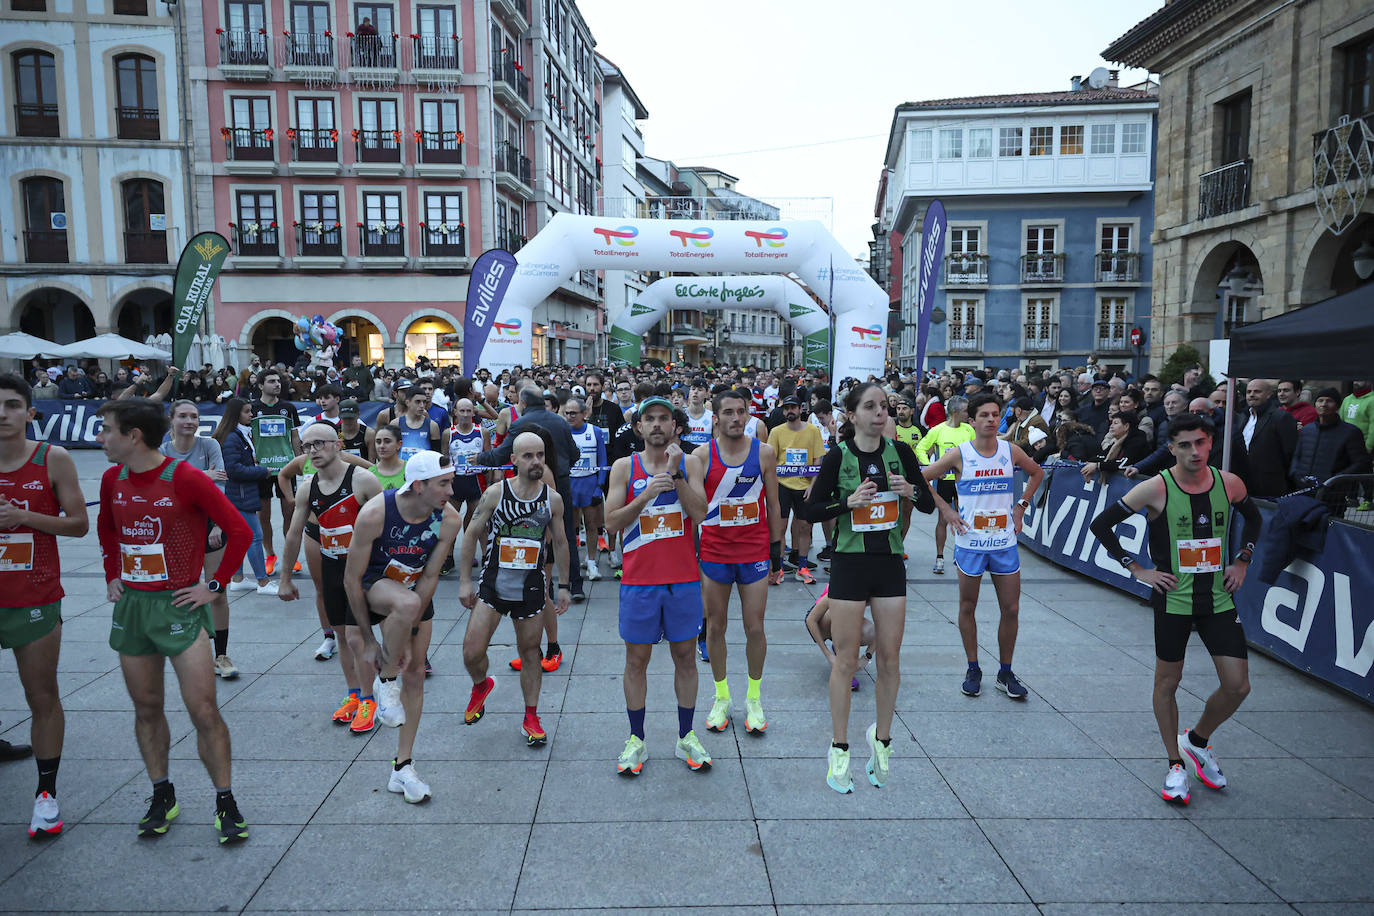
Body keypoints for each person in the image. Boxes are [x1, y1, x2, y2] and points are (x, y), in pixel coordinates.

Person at [95, 398, 252, 842]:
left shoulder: (185, 478)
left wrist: (215, 586)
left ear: (132, 436)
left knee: (203, 709)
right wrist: (112, 574)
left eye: (107, 430)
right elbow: (107, 527)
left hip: (180, 606)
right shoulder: (112, 478)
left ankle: (225, 800)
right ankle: (162, 793)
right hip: (134, 608)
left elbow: (238, 531)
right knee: (146, 708)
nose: (100, 439)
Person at [1089, 412, 1262, 806]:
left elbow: (1253, 520)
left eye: (1200, 442)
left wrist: (1242, 560)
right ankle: (1174, 764)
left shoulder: (1229, 483)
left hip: (1217, 598)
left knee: (1238, 686)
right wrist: (1136, 569)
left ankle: (1197, 741)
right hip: (1174, 599)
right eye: (1184, 445)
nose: (1194, 451)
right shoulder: (1154, 488)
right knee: (1167, 683)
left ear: (1210, 443)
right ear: (1171, 449)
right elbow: (1101, 525)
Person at [802, 381, 932, 793]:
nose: (880, 413)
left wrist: (912, 491)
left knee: (890, 659)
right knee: (845, 660)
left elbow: (928, 502)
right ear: (852, 415)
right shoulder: (839, 456)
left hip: (890, 565)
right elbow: (808, 509)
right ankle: (839, 747)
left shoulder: (902, 453)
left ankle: (882, 740)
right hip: (850, 565)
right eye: (871, 407)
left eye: (885, 407)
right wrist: (847, 503)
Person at [344, 451, 460, 803]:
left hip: (412, 593)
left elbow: (429, 577)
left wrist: (408, 633)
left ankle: (403, 767)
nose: (451, 491)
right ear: (419, 484)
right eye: (443, 484)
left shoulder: (448, 520)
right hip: (372, 587)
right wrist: (367, 640)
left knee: (417, 675)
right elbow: (351, 580)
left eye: (451, 482)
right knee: (404, 608)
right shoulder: (377, 512)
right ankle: (385, 681)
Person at [604, 396, 713, 775]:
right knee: (636, 661)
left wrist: (677, 474)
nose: (656, 425)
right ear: (638, 428)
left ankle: (686, 736)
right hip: (639, 581)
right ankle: (636, 740)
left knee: (685, 658)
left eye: (663, 419)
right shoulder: (623, 467)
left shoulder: (692, 462)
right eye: (648, 419)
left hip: (683, 579)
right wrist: (647, 493)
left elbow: (701, 514)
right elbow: (611, 523)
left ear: (675, 426)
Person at [0, 374, 88, 838]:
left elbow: (78, 524)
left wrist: (23, 518)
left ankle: (46, 794)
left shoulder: (52, 458)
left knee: (41, 695)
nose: (2, 414)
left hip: (33, 597)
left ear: (30, 412)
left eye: (12, 405)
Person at [923, 392, 1044, 701]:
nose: (991, 419)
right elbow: (922, 478)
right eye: (984, 415)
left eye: (995, 414)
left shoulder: (1010, 450)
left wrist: (1020, 506)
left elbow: (1037, 472)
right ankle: (973, 667)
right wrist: (947, 510)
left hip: (1003, 543)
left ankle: (1005, 672)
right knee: (967, 607)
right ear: (971, 420)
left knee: (1012, 608)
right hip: (971, 543)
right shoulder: (959, 454)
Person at [457, 432, 571, 746]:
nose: (536, 462)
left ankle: (531, 716)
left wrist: (564, 585)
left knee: (530, 653)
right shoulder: (496, 493)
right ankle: (481, 685)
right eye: (528, 456)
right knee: (471, 652)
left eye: (540, 455)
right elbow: (471, 535)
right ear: (513, 460)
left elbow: (560, 542)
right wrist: (466, 580)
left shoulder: (552, 499)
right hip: (494, 585)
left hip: (531, 589)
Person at [276, 423, 383, 730]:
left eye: (319, 444)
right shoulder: (309, 486)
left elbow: (386, 525)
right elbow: (295, 532)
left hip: (362, 572)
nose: (312, 451)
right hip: (332, 565)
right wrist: (285, 577)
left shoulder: (362, 479)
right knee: (341, 636)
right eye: (307, 447)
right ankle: (353, 694)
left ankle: (368, 700)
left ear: (337, 444)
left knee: (355, 635)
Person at [690, 389, 781, 735]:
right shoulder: (701, 455)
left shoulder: (765, 453)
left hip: (754, 553)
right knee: (715, 627)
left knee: (755, 627)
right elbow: (695, 510)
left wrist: (776, 553)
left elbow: (774, 505)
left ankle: (754, 698)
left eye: (740, 411)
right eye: (727, 412)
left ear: (748, 415)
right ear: (715, 418)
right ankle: (721, 695)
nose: (735, 418)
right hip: (715, 553)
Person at [472, 385, 583, 601]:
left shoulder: (520, 424)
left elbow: (502, 455)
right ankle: (574, 585)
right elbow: (574, 453)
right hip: (561, 483)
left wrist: (480, 459)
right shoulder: (560, 421)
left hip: (529, 487)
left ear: (523, 404)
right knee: (566, 535)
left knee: (530, 533)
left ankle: (536, 582)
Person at [161, 400, 237, 678]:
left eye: (194, 416)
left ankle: (222, 656)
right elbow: (162, 486)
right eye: (183, 416)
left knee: (217, 591)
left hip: (210, 525)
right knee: (183, 591)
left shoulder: (209, 446)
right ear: (172, 419)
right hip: (176, 530)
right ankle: (191, 650)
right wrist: (201, 475)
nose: (189, 421)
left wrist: (218, 524)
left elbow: (218, 486)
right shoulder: (161, 450)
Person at [213, 399, 280, 596]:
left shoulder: (235, 435)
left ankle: (238, 578)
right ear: (236, 414)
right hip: (239, 495)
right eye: (247, 411)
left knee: (239, 537)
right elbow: (233, 470)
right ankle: (263, 581)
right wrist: (261, 471)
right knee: (254, 536)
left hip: (240, 493)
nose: (251, 415)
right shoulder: (233, 438)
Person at [249, 369, 301, 577]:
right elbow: (246, 437)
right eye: (271, 381)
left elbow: (295, 438)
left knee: (290, 514)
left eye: (278, 381)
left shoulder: (288, 408)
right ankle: (270, 555)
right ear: (261, 386)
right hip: (261, 470)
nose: (277, 384)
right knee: (264, 516)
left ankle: (291, 556)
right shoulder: (252, 408)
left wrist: (300, 463)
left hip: (286, 468)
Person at [767, 394, 824, 582]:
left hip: (805, 487)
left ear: (801, 409)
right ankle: (779, 568)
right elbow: (770, 460)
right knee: (780, 527)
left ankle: (803, 567)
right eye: (786, 408)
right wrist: (773, 488)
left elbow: (818, 459)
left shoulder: (813, 431)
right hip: (782, 486)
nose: (790, 411)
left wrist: (813, 487)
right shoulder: (776, 432)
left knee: (805, 527)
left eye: (793, 407)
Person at [914, 395, 973, 575]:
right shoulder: (938, 430)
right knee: (943, 520)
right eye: (965, 411)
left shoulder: (969, 429)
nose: (968, 414)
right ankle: (940, 557)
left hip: (965, 481)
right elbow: (920, 448)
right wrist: (932, 468)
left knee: (967, 519)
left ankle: (963, 555)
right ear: (955, 412)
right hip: (945, 481)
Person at [1289, 387, 1371, 488]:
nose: (1324, 404)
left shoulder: (1351, 432)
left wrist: (1335, 480)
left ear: (1337, 406)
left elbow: (1360, 463)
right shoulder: (1307, 430)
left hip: (1334, 492)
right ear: (1315, 404)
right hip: (1303, 488)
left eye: (1329, 401)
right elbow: (1297, 456)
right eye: (1320, 400)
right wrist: (1295, 474)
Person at [563, 397, 607, 583]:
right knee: (571, 527)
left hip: (589, 483)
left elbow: (603, 461)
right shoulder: (563, 432)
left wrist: (599, 485)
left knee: (591, 525)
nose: (570, 416)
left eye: (574, 413)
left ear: (584, 414)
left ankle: (591, 562)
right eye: (567, 413)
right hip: (570, 483)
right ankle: (573, 562)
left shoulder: (595, 431)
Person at [804, 586, 874, 692]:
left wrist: (866, 658)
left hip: (846, 618)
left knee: (871, 631)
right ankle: (843, 664)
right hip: (820, 620)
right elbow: (811, 620)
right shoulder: (844, 583)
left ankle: (842, 652)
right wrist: (829, 655)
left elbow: (884, 625)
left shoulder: (875, 586)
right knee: (843, 611)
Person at [1238, 379, 1298, 499]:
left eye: (1257, 391)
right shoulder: (1242, 417)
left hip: (1270, 487)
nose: (1252, 395)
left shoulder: (1281, 418)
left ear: (1269, 394)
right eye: (1249, 392)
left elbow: (1290, 453)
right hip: (1243, 483)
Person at [447, 398, 489, 530]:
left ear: (473, 413)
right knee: (450, 524)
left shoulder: (483, 432)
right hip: (456, 482)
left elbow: (489, 459)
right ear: (455, 412)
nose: (465, 414)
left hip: (476, 481)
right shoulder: (448, 433)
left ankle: (484, 551)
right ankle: (449, 551)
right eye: (462, 411)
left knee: (480, 525)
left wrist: (489, 483)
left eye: (468, 411)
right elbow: (444, 462)